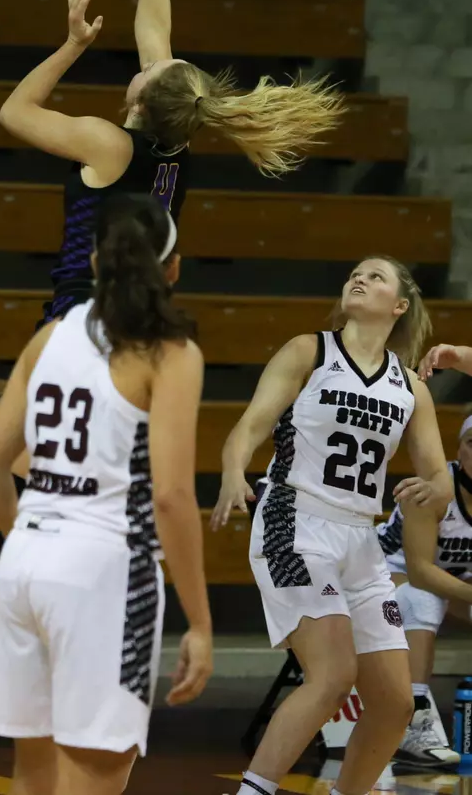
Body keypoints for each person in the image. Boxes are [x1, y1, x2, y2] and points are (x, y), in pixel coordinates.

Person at [0, 0, 346, 729]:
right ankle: (22, 642)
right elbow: (155, 30)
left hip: (69, 327)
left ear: (141, 98)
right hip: (136, 338)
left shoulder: (107, 140)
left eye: (146, 71)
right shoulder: (174, 147)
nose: (146, 60)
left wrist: (65, 44)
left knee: (13, 482)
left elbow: (12, 110)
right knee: (87, 488)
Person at [0, 194, 212, 795]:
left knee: (34, 772)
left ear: (96, 260)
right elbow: (173, 497)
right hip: (106, 569)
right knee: (97, 772)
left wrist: (33, 543)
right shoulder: (170, 352)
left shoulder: (49, 336)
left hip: (24, 563)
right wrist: (202, 622)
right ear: (173, 267)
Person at [211, 255, 452, 795]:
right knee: (334, 673)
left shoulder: (411, 389)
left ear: (399, 306)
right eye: (355, 274)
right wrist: (232, 472)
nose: (359, 279)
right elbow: (250, 426)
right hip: (295, 519)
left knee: (394, 702)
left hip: (361, 538)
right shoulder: (308, 350)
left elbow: (439, 474)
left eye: (376, 276)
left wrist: (434, 489)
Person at [374, 414, 472, 770]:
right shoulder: (432, 489)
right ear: (459, 449)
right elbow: (419, 572)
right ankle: (412, 723)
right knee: (423, 599)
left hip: (445, 583)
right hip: (377, 576)